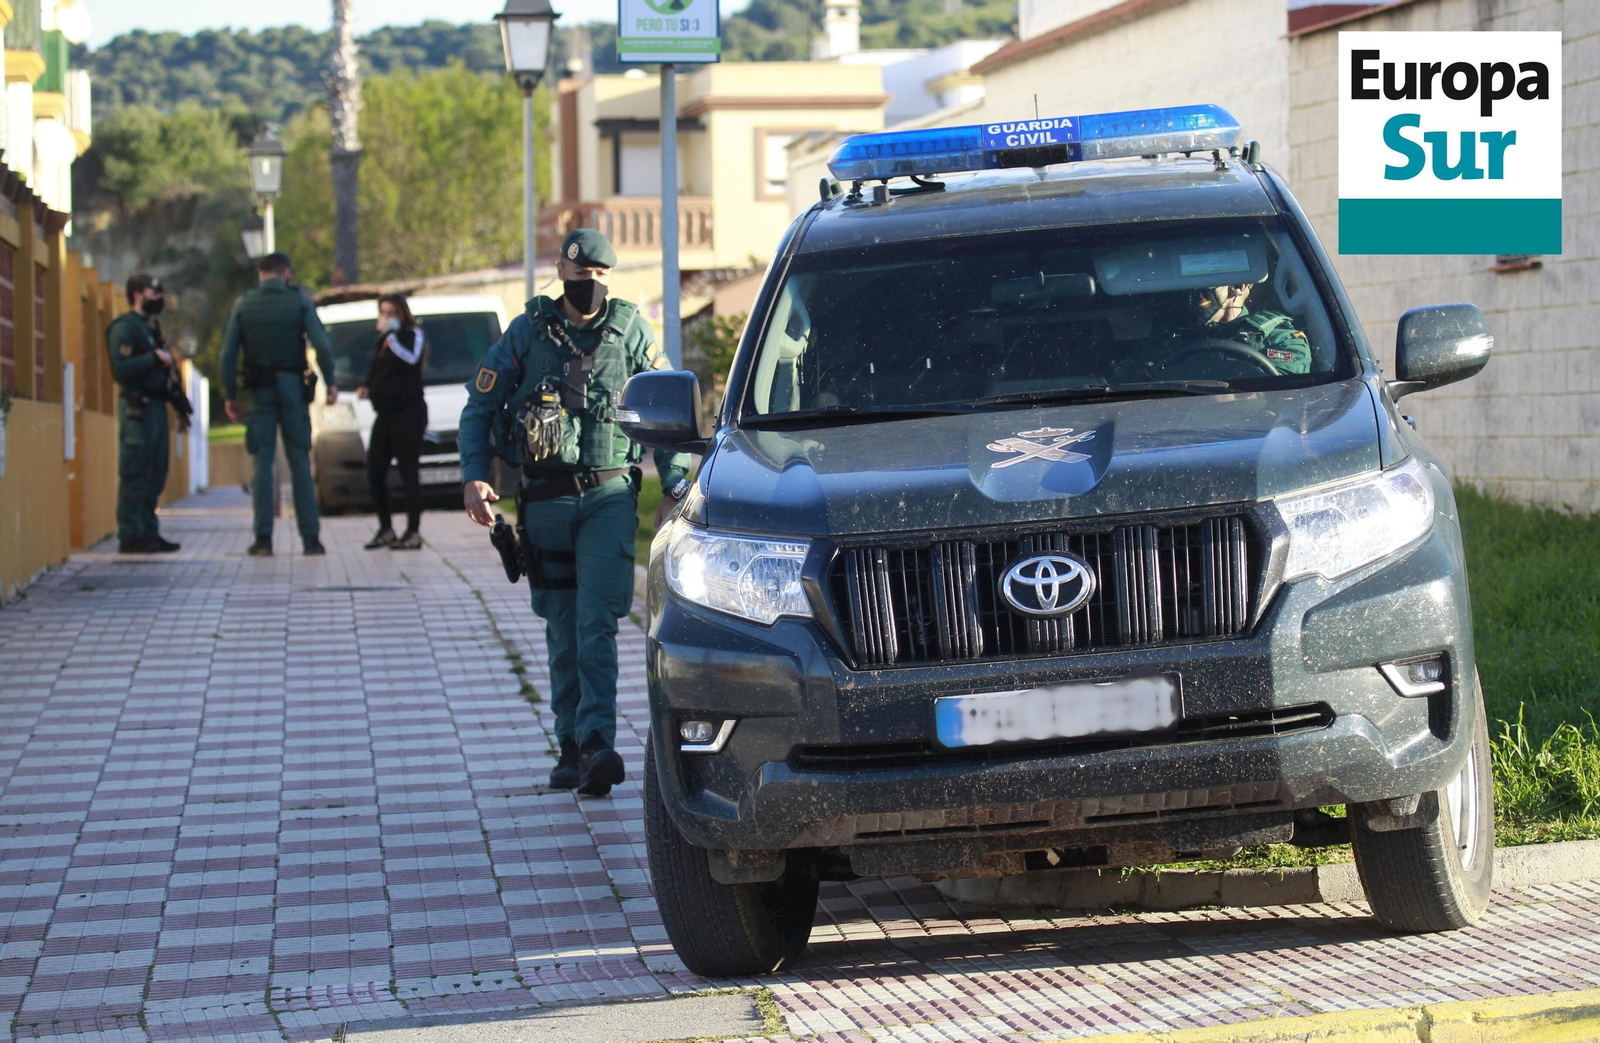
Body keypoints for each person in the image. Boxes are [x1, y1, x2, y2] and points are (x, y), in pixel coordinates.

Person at [459, 229, 691, 798]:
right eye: (582, 276)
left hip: (611, 497)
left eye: (601, 278)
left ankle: (596, 744)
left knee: (595, 625)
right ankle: (568, 744)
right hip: (545, 500)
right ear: (561, 272)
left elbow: (661, 404)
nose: (591, 286)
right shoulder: (527, 334)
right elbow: (479, 405)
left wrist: (676, 483)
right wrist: (475, 475)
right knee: (562, 629)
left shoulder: (632, 329)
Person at [220, 252, 338, 557]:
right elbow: (322, 344)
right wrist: (332, 381)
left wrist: (230, 395)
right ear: (286, 273)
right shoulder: (298, 301)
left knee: (262, 464)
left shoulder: (244, 304)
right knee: (299, 461)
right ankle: (311, 539)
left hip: (259, 391)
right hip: (292, 389)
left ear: (261, 273)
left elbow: (228, 354)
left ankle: (263, 539)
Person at [105, 274, 192, 554]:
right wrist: (153, 358)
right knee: (135, 471)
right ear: (138, 295)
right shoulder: (125, 328)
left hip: (157, 407)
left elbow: (168, 374)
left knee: (156, 472)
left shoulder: (152, 329)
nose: (158, 300)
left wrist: (181, 408)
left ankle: (149, 531)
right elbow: (120, 369)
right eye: (153, 294)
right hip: (137, 408)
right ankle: (131, 534)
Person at [1124, 281, 1312, 378]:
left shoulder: (1279, 338)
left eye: (1204, 282)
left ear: (1239, 286)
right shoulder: (1168, 339)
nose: (1190, 292)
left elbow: (1287, 399)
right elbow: (1125, 387)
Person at [359, 294, 428, 550]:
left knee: (408, 472)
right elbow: (376, 368)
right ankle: (386, 528)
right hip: (385, 414)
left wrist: (392, 337)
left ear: (401, 314)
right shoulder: (382, 341)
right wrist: (367, 386)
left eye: (391, 313)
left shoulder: (411, 335)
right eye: (383, 312)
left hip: (408, 414)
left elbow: (410, 358)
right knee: (375, 469)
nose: (386, 318)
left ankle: (413, 532)